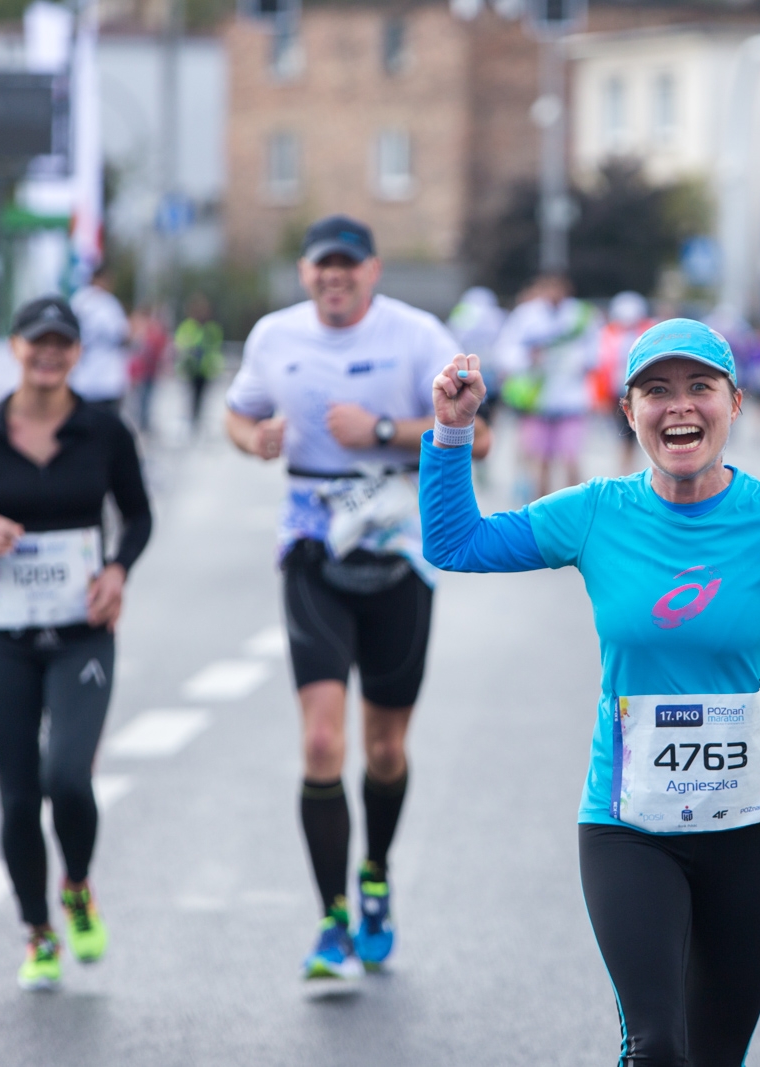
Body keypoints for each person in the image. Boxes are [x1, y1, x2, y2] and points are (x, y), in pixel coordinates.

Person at [420, 318, 760, 1067]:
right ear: (629, 410)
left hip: (758, 830)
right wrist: (452, 432)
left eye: (700, 387)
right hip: (628, 826)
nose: (680, 407)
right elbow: (458, 544)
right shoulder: (595, 513)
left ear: (734, 403)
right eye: (657, 391)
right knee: (657, 1049)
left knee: (712, 1056)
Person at [225, 214, 488, 982]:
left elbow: (485, 432)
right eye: (321, 267)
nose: (334, 278)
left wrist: (379, 427)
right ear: (305, 274)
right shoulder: (274, 336)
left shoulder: (418, 336)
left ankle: (374, 874)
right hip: (311, 544)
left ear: (373, 271)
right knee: (318, 742)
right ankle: (330, 920)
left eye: (348, 266)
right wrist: (255, 440)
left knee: (383, 747)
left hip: (400, 547)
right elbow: (237, 414)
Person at [0, 296, 153, 990]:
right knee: (16, 793)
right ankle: (37, 931)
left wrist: (118, 569)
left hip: (81, 629)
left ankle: (79, 884)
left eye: (62, 343)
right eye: (38, 342)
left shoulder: (103, 430)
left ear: (77, 353)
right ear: (15, 348)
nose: (49, 353)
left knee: (67, 775)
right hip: (3, 633)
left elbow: (139, 514)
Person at [496, 273, 602, 498]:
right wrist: (528, 359)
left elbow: (596, 351)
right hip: (537, 399)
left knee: (571, 458)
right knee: (540, 460)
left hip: (571, 399)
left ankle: (575, 510)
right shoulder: (526, 315)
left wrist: (580, 361)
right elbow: (506, 350)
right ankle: (542, 510)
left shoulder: (582, 314)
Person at [595, 291, 657, 473]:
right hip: (617, 390)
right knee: (625, 432)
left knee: (637, 433)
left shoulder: (648, 332)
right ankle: (625, 467)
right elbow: (602, 365)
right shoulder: (609, 334)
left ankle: (630, 467)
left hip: (639, 388)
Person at [69, 264, 132, 410]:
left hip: (81, 380)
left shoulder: (77, 300)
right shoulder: (107, 303)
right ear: (100, 279)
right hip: (106, 381)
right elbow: (124, 335)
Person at [176, 293, 225, 438]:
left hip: (205, 370)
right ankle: (190, 421)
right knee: (189, 397)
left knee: (202, 397)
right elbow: (180, 343)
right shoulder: (188, 326)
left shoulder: (212, 328)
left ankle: (198, 421)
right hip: (190, 369)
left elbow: (216, 347)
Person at [126, 305, 170, 434]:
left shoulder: (156, 333)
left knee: (146, 398)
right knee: (139, 398)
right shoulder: (143, 332)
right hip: (142, 371)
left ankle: (143, 422)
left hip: (150, 371)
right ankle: (139, 421)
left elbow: (161, 353)